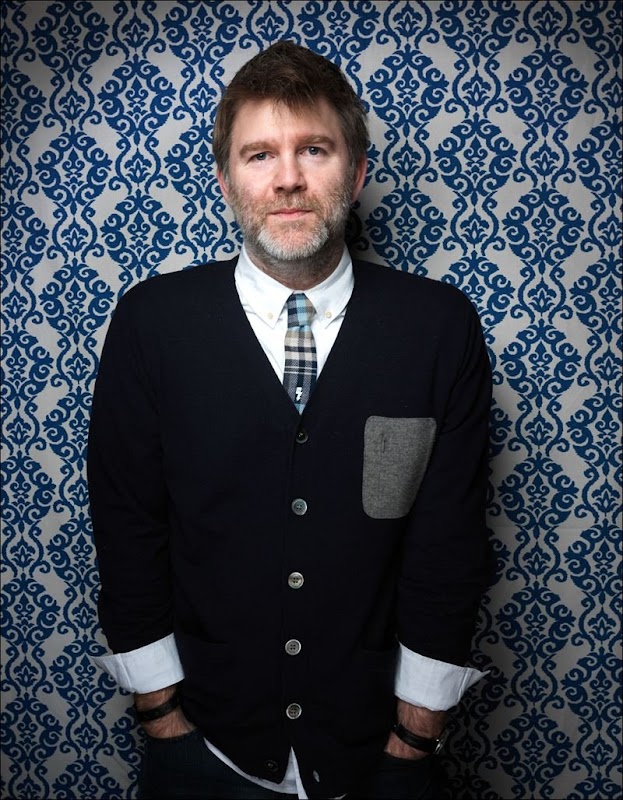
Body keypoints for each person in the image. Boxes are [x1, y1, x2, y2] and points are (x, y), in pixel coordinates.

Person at [88, 40, 492, 800]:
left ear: (357, 171)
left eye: (314, 149)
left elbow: (449, 543)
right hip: (205, 746)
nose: (288, 179)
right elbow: (127, 526)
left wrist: (415, 737)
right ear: (226, 180)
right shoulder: (152, 322)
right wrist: (162, 717)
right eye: (259, 155)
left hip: (382, 751)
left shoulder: (439, 327)